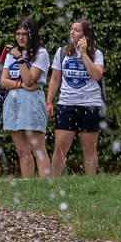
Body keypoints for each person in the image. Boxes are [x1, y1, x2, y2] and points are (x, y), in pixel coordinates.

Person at [48, 20, 104, 176]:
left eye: (77, 30)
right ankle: (55, 182)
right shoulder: (61, 52)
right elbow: (54, 79)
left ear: (85, 35)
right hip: (66, 104)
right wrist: (49, 101)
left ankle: (90, 182)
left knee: (89, 147)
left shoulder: (96, 53)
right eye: (71, 29)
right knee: (60, 146)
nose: (72, 32)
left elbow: (96, 75)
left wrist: (84, 53)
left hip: (90, 104)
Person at [0, 17, 51, 178]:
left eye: (24, 34)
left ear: (33, 35)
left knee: (37, 148)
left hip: (32, 100)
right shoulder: (12, 53)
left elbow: (30, 79)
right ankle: (27, 184)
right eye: (17, 34)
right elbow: (3, 81)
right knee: (22, 150)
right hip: (13, 99)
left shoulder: (40, 53)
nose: (20, 37)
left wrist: (21, 59)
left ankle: (45, 185)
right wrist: (20, 85)